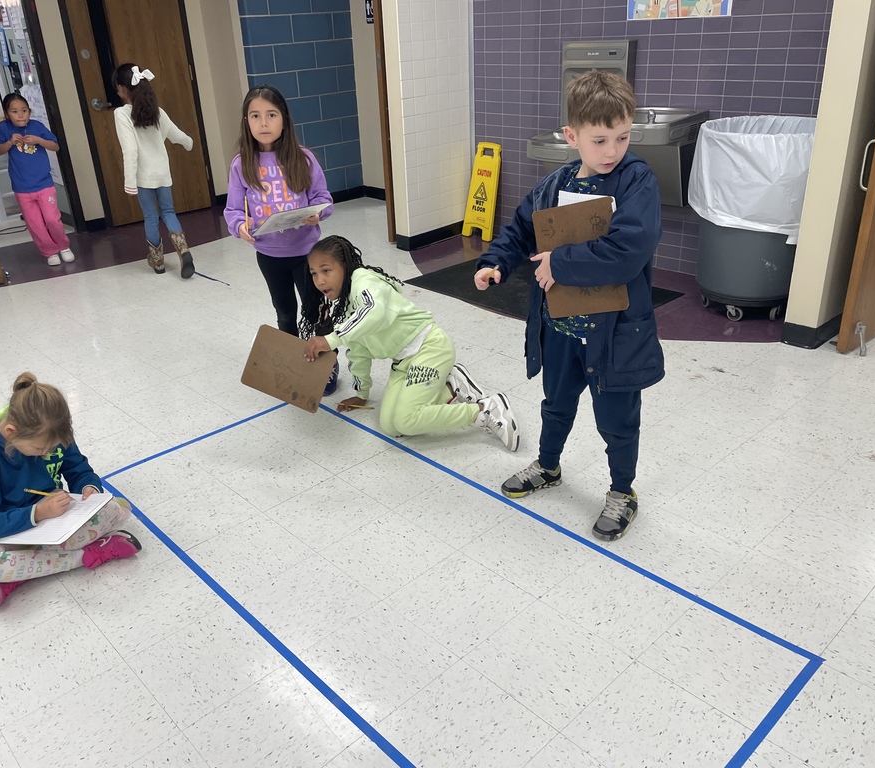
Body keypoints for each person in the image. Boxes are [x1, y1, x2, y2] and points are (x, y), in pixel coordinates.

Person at [475, 71, 664, 542]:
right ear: (572, 136)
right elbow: (522, 228)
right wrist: (496, 261)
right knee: (556, 405)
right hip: (560, 328)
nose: (612, 151)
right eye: (600, 140)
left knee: (617, 420)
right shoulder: (552, 185)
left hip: (614, 334)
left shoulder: (636, 182)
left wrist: (561, 262)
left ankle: (623, 491)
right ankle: (549, 465)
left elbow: (629, 250)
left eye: (622, 137)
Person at [302, 235, 520, 451]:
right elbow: (358, 352)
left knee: (407, 419)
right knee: (391, 426)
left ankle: (485, 410)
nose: (320, 280)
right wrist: (362, 393)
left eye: (326, 270)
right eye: (314, 273)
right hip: (403, 361)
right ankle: (450, 388)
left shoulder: (363, 280)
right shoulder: (346, 305)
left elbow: (374, 311)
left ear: (345, 266)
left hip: (430, 347)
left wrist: (331, 339)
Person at [0, 372, 142, 610]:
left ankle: (22, 572)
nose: (47, 454)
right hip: (7, 531)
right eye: (39, 449)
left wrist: (88, 488)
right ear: (11, 432)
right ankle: (82, 557)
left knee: (115, 509)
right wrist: (37, 513)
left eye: (52, 448)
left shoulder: (52, 430)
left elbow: (78, 468)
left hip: (55, 520)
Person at [225, 85, 338, 393]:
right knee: (285, 313)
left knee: (315, 311)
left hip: (307, 253)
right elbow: (233, 210)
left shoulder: (303, 158)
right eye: (255, 116)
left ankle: (326, 363)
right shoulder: (241, 164)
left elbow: (323, 198)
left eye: (271, 115)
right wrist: (240, 226)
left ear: (284, 120)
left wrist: (318, 212)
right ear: (246, 122)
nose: (263, 123)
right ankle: (292, 366)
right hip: (269, 255)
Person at [113, 63, 196, 278]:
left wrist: (129, 181)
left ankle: (158, 262)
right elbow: (176, 134)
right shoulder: (157, 112)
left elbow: (130, 149)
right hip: (162, 174)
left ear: (122, 89)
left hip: (143, 177)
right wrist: (189, 143)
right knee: (168, 212)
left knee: (151, 217)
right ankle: (184, 251)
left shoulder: (122, 114)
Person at [0, 93, 74, 267]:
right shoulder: (3, 128)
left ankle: (63, 246)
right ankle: (49, 251)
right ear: (7, 114)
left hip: (44, 183)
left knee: (52, 219)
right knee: (35, 223)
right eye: (15, 111)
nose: (20, 115)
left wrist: (38, 140)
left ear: (29, 112)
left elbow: (55, 146)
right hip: (22, 187)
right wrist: (9, 142)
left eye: (24, 111)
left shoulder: (37, 126)